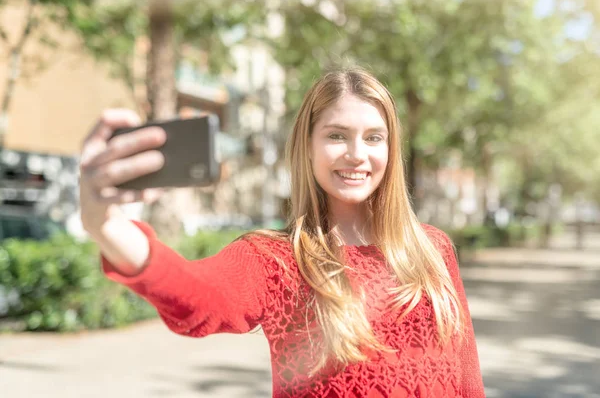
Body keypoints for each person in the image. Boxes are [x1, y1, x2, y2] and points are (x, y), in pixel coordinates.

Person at [79, 68, 485, 397]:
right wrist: (107, 225)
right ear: (307, 147)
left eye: (373, 138)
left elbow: (468, 381)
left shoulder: (433, 247)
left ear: (391, 150)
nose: (356, 154)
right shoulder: (275, 260)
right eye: (336, 135)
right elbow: (198, 298)